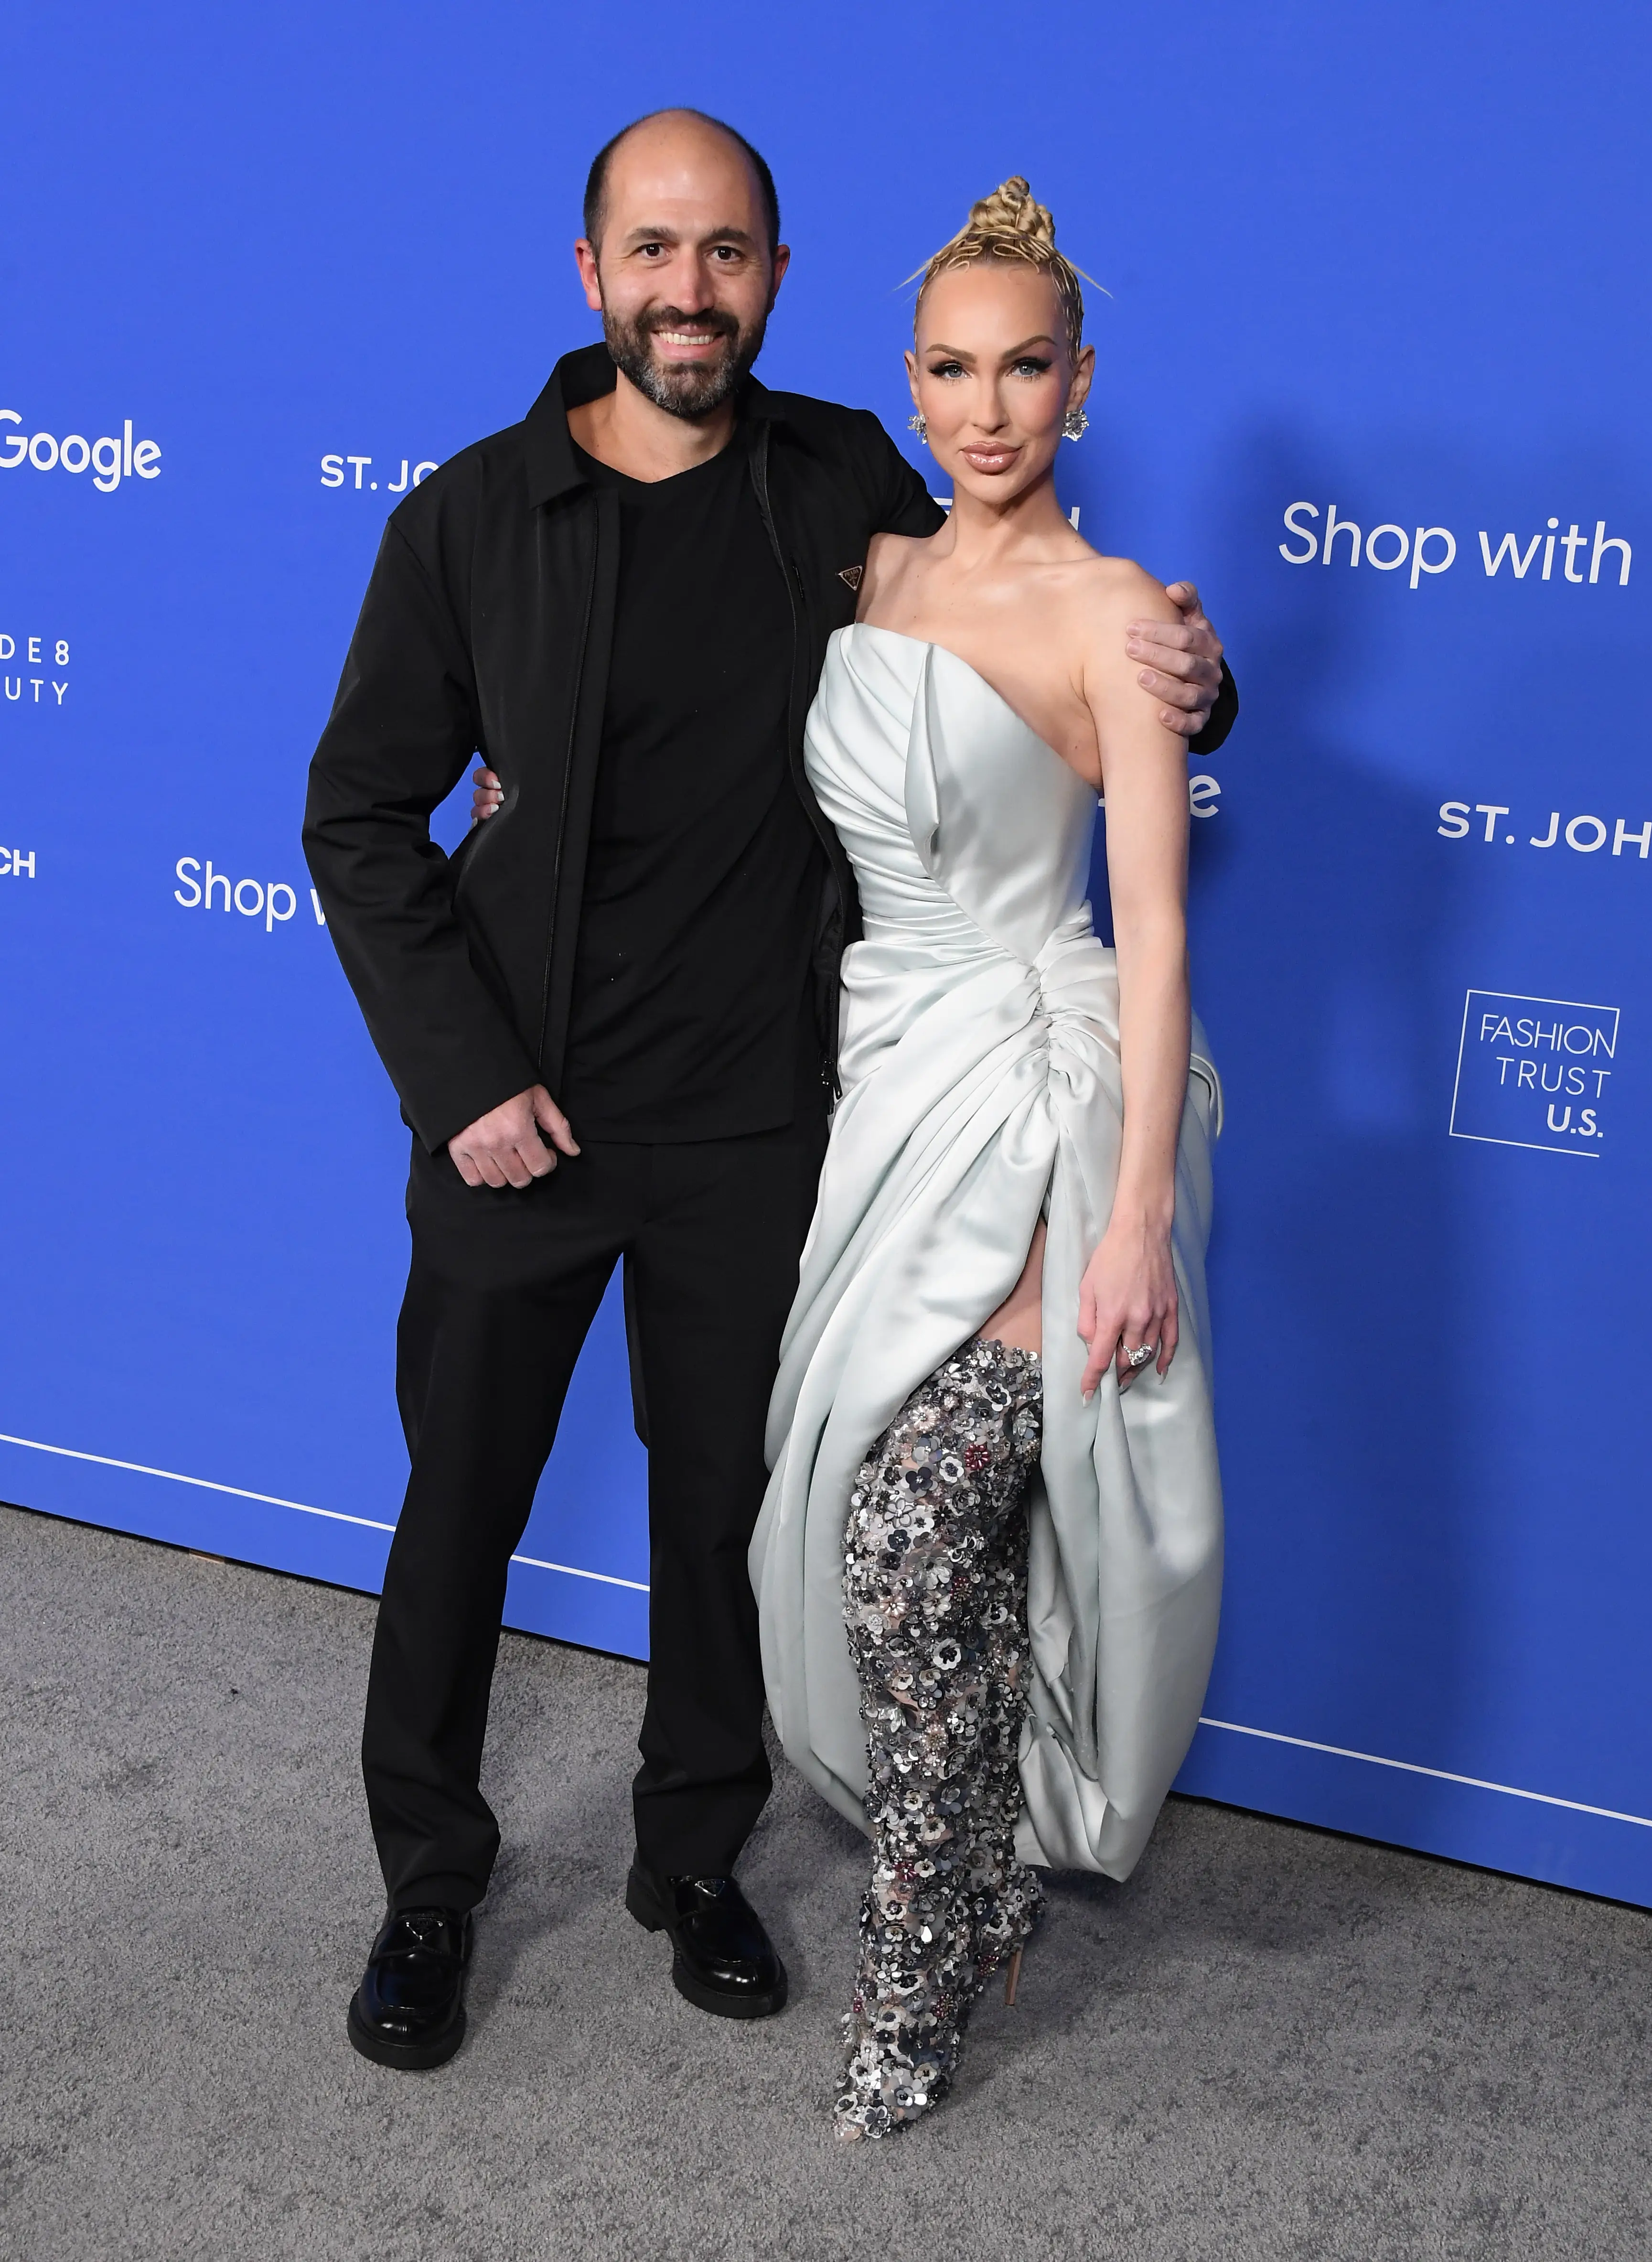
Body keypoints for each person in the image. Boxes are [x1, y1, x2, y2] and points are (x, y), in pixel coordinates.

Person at [305, 108, 1236, 2074]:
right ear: (591, 273)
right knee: (458, 1506)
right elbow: (357, 817)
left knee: (724, 1516)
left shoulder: (835, 479)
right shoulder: (468, 518)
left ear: (776, 279)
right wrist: (464, 1081)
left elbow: (1009, 619)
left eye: (725, 253)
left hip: (761, 1117)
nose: (689, 290)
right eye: (653, 252)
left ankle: (692, 1855)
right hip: (522, 1118)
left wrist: (1191, 679)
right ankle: (429, 1880)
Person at [748, 179, 1225, 2140]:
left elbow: (1157, 928)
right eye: (952, 369)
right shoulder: (867, 572)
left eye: (1026, 368)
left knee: (915, 1523)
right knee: (865, 1525)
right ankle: (973, 1877)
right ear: (910, 383)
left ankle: (922, 1955)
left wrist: (1134, 1221)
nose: (987, 406)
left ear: (1079, 385)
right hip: (889, 1090)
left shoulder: (1120, 616)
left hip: (1040, 1097)